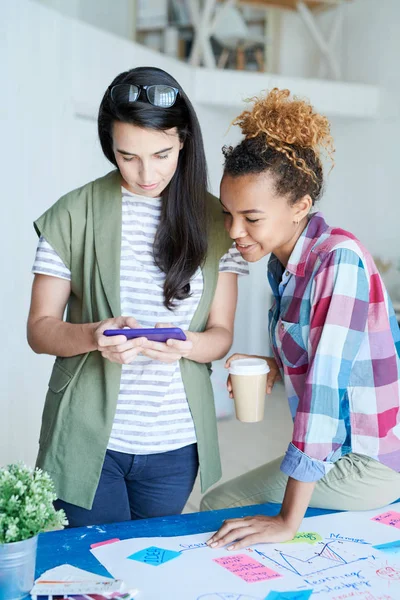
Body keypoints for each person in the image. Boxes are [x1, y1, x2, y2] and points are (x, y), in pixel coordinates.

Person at [27, 66, 248, 527]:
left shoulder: (217, 221)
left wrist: (188, 346)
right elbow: (40, 330)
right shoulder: (72, 214)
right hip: (88, 438)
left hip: (175, 442)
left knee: (154, 567)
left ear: (184, 140)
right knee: (94, 573)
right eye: (128, 156)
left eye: (162, 154)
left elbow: (221, 333)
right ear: (110, 147)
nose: (147, 173)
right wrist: (94, 334)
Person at [201, 88, 400, 550]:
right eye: (229, 214)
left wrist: (288, 520)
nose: (234, 232)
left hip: (369, 459)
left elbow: (325, 396)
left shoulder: (338, 262)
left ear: (300, 206)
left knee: (215, 507)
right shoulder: (286, 265)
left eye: (251, 217)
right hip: (342, 452)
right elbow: (323, 356)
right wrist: (272, 365)